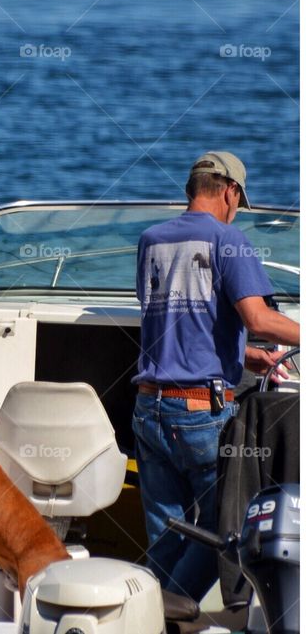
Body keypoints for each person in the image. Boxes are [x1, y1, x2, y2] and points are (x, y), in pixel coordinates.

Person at [132, 151, 300, 602]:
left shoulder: (151, 240)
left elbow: (175, 324)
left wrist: (242, 356)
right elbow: (259, 318)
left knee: (166, 536)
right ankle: (173, 614)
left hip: (149, 408)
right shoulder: (228, 240)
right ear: (229, 191)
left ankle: (147, 618)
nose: (237, 210)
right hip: (200, 414)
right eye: (239, 201)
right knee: (225, 533)